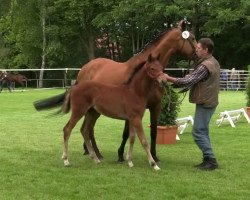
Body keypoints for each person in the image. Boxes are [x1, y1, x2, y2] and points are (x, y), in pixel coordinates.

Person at [164, 38, 220, 170]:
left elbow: (188, 80)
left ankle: (211, 160)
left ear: (206, 50)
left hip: (205, 102)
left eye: (198, 48)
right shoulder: (213, 61)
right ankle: (208, 159)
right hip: (210, 100)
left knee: (198, 132)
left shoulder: (205, 66)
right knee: (203, 131)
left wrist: (168, 78)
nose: (196, 50)